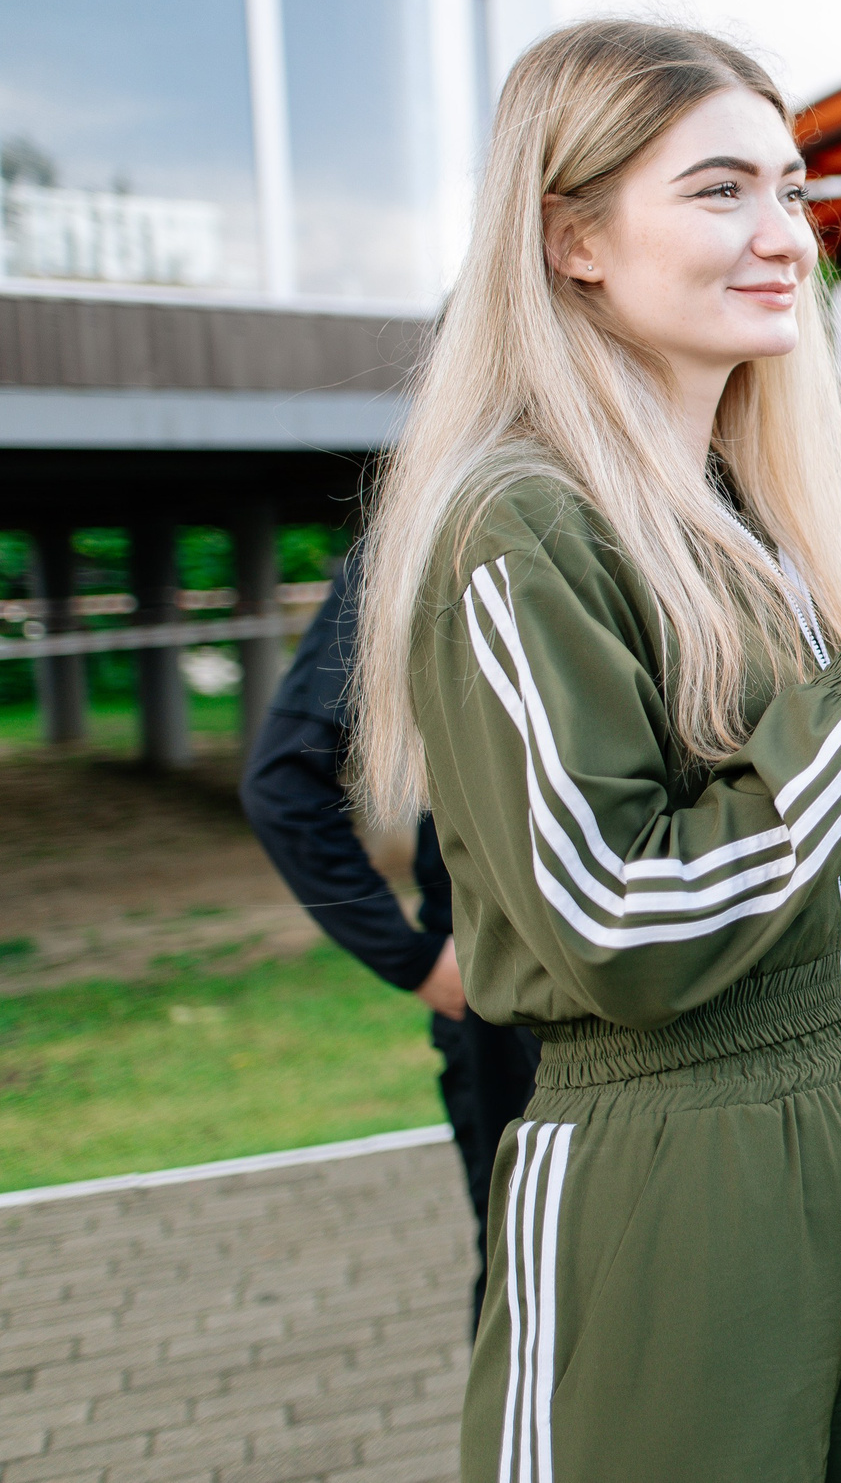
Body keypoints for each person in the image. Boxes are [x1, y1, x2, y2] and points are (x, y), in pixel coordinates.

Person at [349, 20, 841, 1482]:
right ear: (570, 238)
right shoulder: (518, 522)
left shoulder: (756, 520)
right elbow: (623, 920)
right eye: (719, 191)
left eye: (794, 189)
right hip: (661, 1159)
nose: (782, 238)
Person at [240, 552, 541, 1334]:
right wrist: (408, 956)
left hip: (669, 990)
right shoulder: (426, 535)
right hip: (507, 997)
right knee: (533, 1279)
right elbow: (285, 784)